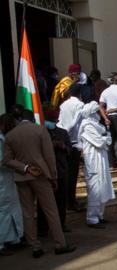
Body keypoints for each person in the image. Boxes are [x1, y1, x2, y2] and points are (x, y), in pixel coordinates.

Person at [3, 110, 75, 258]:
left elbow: (7, 160)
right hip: (41, 175)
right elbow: (49, 155)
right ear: (32, 119)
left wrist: (24, 168)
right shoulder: (40, 130)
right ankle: (60, 244)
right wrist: (53, 177)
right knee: (51, 210)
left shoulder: (10, 136)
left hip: (22, 177)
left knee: (28, 213)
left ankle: (35, 246)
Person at [78, 102, 115, 229]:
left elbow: (106, 140)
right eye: (98, 112)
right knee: (95, 190)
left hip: (101, 159)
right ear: (93, 113)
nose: (100, 114)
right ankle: (92, 218)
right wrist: (105, 138)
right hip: (93, 160)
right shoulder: (87, 126)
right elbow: (99, 142)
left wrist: (105, 136)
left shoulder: (97, 125)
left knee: (103, 186)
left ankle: (100, 215)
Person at [38, 110, 71, 235]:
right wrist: (51, 144)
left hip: (61, 170)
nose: (52, 123)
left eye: (54, 120)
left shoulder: (63, 133)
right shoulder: (41, 132)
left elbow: (69, 149)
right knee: (43, 203)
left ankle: (61, 225)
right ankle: (42, 228)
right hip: (45, 171)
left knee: (61, 201)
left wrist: (63, 147)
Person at [57, 84, 87, 211]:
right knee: (73, 174)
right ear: (79, 93)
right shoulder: (80, 105)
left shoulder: (63, 105)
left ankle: (67, 200)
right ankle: (71, 201)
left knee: (66, 173)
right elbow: (81, 124)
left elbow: (61, 121)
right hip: (75, 142)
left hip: (64, 140)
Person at [0, 114, 23, 256]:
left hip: (8, 180)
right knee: (3, 212)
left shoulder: (3, 138)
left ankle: (12, 239)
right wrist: (16, 164)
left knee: (10, 210)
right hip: (2, 181)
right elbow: (2, 162)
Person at [99, 72, 117, 168]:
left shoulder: (105, 91)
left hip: (109, 117)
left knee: (110, 140)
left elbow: (101, 106)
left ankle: (111, 163)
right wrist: (113, 110)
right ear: (115, 81)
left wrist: (105, 118)